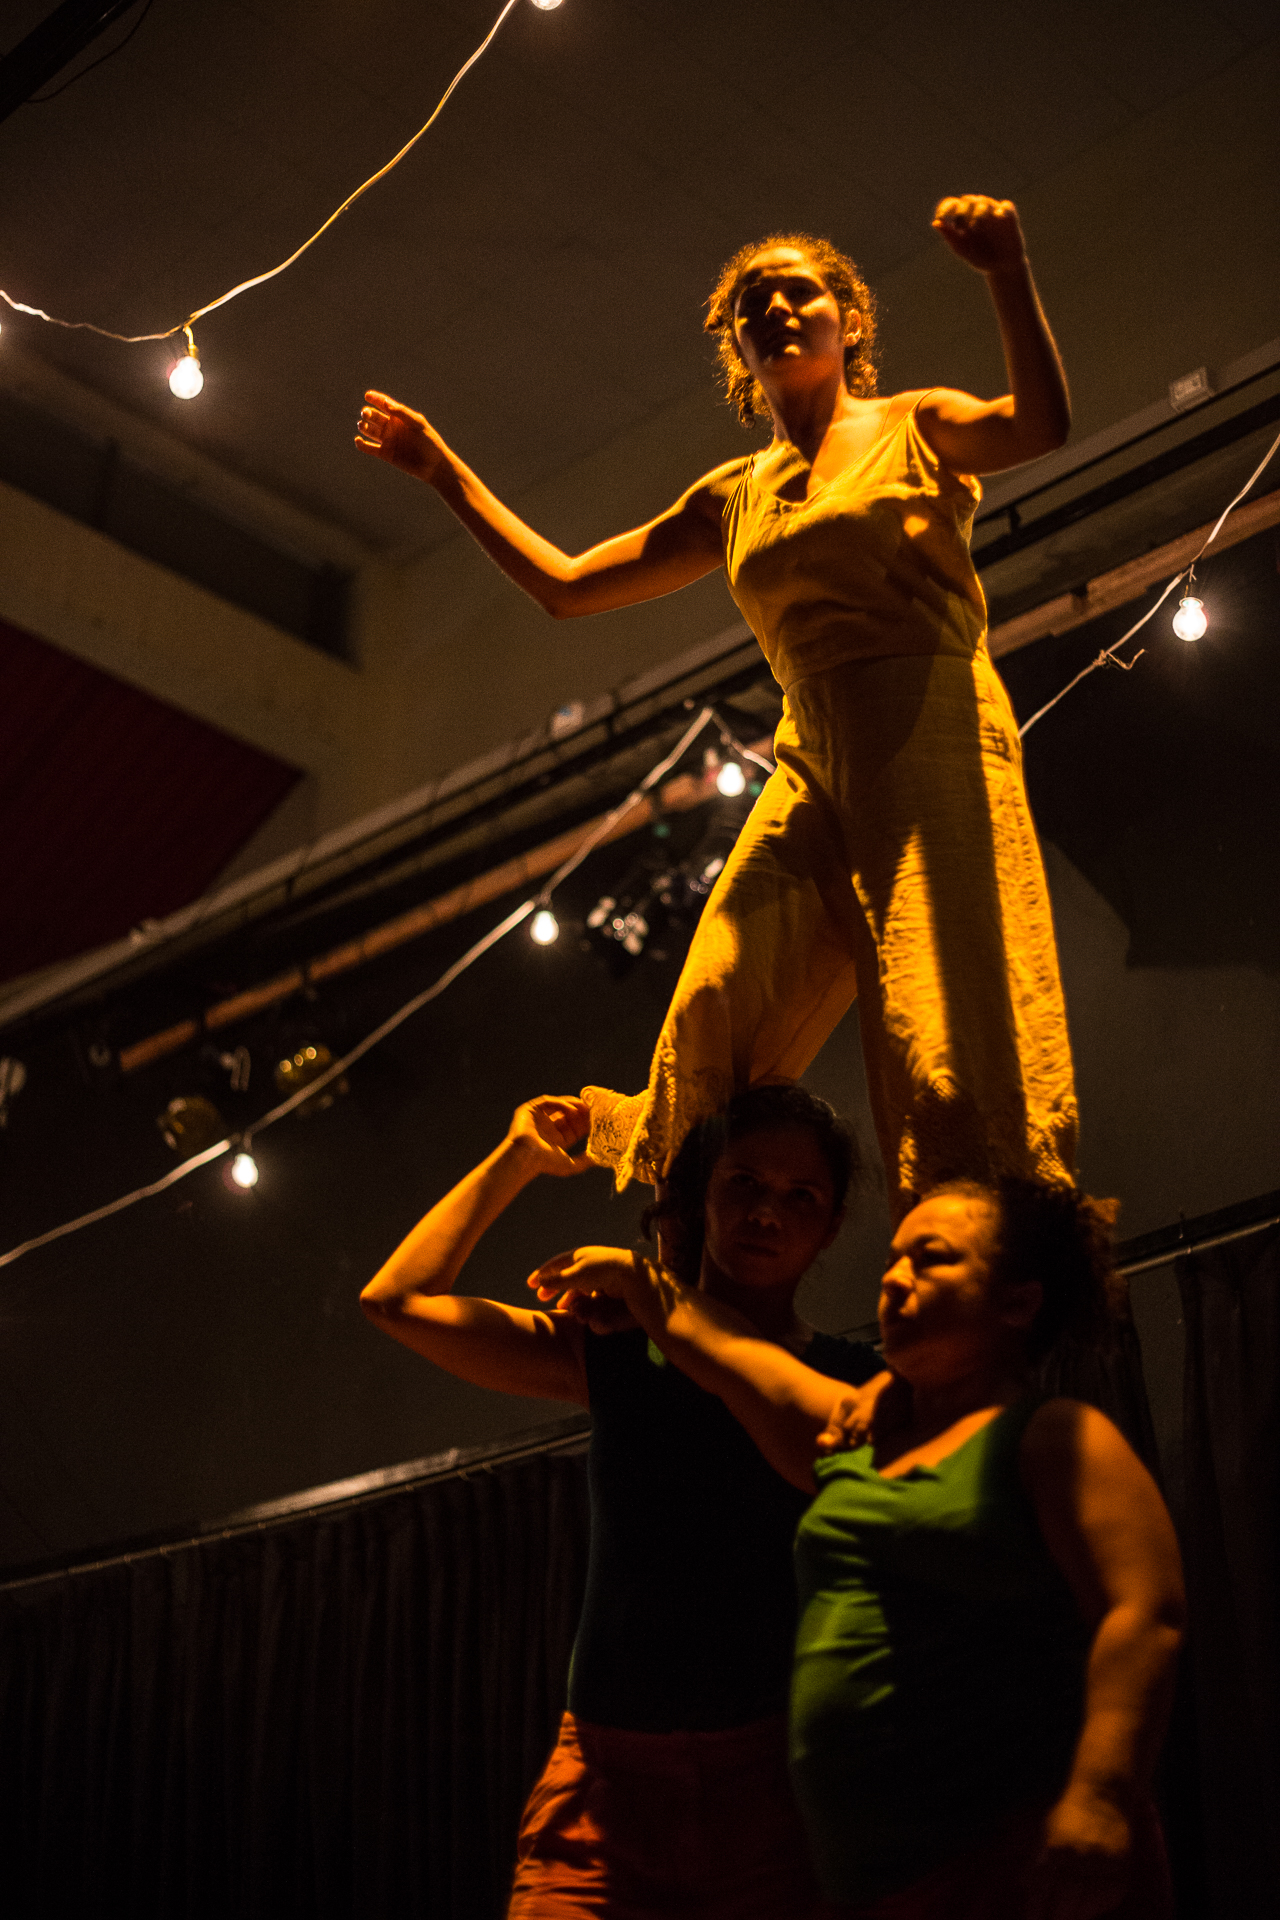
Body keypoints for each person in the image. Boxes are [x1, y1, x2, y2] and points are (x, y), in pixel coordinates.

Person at [355, 194, 1077, 1213]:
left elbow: (1038, 426)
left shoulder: (912, 426)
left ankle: (993, 1243)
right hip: (810, 754)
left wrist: (1006, 272)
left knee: (942, 1037)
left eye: (799, 291)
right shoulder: (730, 494)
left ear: (849, 322)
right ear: (735, 346)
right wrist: (442, 472)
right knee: (712, 997)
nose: (775, 307)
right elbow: (567, 587)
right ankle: (689, 1226)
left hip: (930, 731)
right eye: (752, 302)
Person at [532, 1180, 1185, 1918]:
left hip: (1019, 1859)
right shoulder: (857, 1438)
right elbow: (723, 1350)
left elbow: (1144, 1611)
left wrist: (1101, 1795)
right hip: (881, 1886)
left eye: (930, 1259)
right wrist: (635, 1278)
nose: (895, 1278)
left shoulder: (1050, 1434)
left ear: (1016, 1302)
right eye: (892, 1259)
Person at [360, 1083, 887, 1919]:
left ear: (830, 1228)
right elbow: (398, 1303)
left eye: (801, 1197)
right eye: (744, 1182)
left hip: (772, 1794)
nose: (766, 1212)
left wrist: (655, 1296)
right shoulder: (620, 1349)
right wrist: (517, 1159)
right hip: (604, 1787)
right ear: (699, 1194)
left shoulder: (851, 1383)